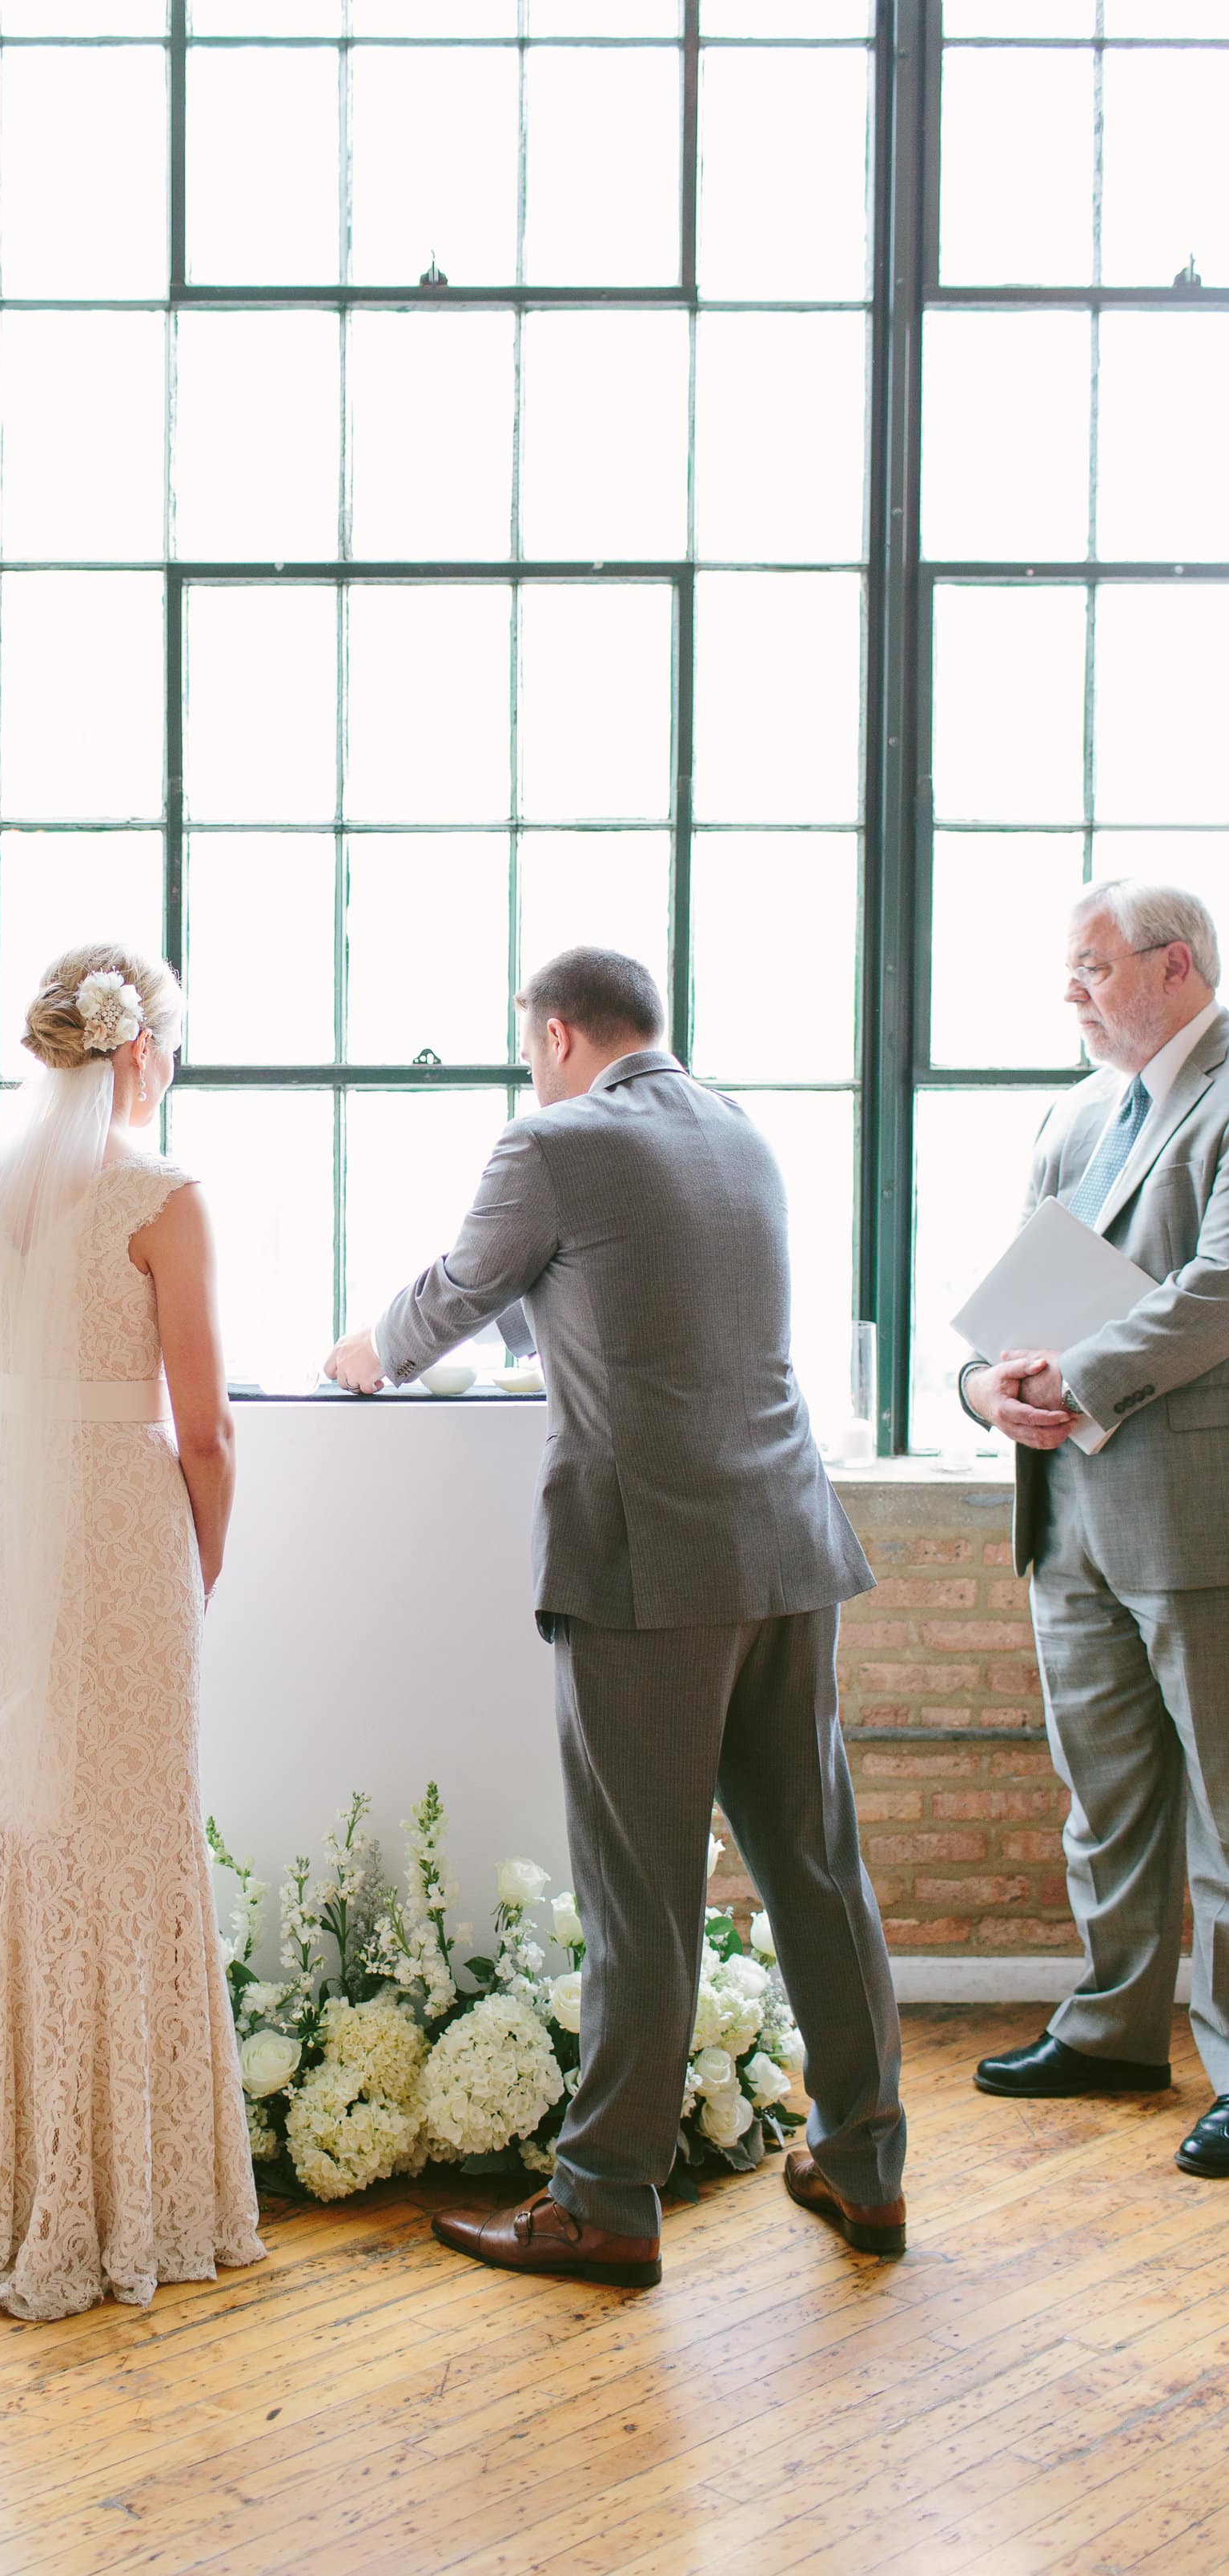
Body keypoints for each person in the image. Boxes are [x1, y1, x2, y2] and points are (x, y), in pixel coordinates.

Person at [325, 945, 906, 2287]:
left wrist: (364, 1355)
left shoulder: (551, 1141)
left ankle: (602, 2201)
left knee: (642, 1891)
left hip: (650, 1564)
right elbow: (642, 1308)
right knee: (814, 1865)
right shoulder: (738, 1130)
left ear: (552, 1034)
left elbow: (454, 1294)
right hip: (788, 1544)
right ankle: (866, 2164)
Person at [0, 942, 263, 2320]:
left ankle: (10, 2182)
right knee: (134, 1829)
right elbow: (208, 1430)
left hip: (11, 1517)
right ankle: (133, 2195)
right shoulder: (160, 1194)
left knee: (29, 1829)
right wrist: (201, 1570)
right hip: (116, 1523)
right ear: (141, 1051)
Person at [960, 881, 1229, 2177]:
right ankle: (1114, 2026)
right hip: (1065, 1513)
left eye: (1092, 967)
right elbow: (1015, 1298)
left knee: (1227, 1812)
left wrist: (1072, 1380)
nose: (1070, 992)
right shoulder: (1075, 1117)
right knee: (1104, 1798)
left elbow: (1216, 1290)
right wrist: (982, 1389)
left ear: (1174, 967)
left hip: (1197, 1519)